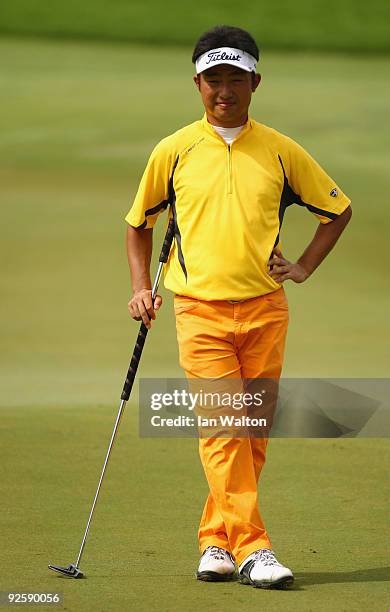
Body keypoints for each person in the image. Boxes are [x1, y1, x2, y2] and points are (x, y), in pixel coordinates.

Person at [125, 25, 352, 589]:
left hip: (265, 310)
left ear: (255, 81)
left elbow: (338, 210)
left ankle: (216, 541)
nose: (223, 89)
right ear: (197, 84)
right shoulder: (174, 150)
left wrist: (301, 267)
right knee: (226, 429)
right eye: (212, 79)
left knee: (250, 434)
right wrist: (140, 286)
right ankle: (254, 548)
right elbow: (138, 226)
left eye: (235, 78)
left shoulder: (279, 150)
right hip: (198, 311)